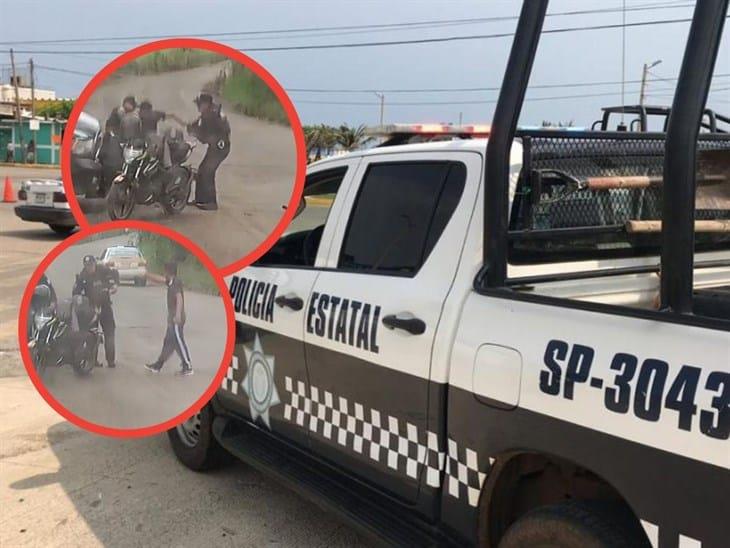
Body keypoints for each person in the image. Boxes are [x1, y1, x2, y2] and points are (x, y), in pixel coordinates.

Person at [178, 93, 230, 210]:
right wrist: (192, 127)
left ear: (206, 104)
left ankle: (210, 202)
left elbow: (205, 135)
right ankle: (201, 200)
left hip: (219, 148)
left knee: (207, 171)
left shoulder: (211, 115)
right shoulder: (210, 112)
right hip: (217, 146)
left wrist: (195, 132)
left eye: (199, 104)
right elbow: (198, 125)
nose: (198, 107)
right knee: (202, 170)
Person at [144, 262, 193, 376]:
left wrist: (177, 315)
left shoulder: (175, 283)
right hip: (172, 319)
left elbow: (179, 298)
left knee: (179, 341)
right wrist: (147, 275)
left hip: (176, 318)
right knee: (168, 343)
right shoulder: (171, 281)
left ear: (167, 272)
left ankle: (187, 366)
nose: (163, 273)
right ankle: (158, 365)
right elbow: (160, 279)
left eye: (164, 271)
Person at [72, 255, 118, 368]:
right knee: (92, 334)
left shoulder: (102, 269)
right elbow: (76, 293)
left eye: (91, 265)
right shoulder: (82, 276)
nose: (89, 268)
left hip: (105, 306)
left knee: (109, 332)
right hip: (91, 308)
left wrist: (115, 285)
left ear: (94, 264)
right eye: (87, 266)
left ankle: (110, 360)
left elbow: (115, 273)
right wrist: (80, 301)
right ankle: (93, 360)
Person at [98, 117, 123, 196]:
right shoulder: (120, 137)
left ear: (109, 127)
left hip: (109, 165)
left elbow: (103, 152)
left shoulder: (107, 137)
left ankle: (102, 191)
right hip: (119, 165)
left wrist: (99, 158)